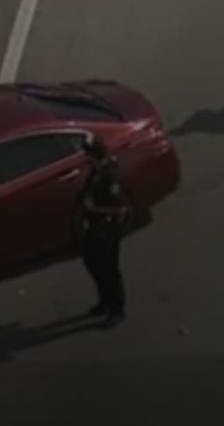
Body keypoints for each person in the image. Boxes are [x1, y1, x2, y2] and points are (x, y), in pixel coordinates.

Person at [78, 135, 129, 328]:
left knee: (109, 271)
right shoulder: (96, 172)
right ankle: (104, 302)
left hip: (107, 232)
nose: (85, 158)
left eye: (87, 154)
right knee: (94, 266)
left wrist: (94, 208)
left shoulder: (110, 177)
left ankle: (116, 309)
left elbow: (120, 209)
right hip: (93, 229)